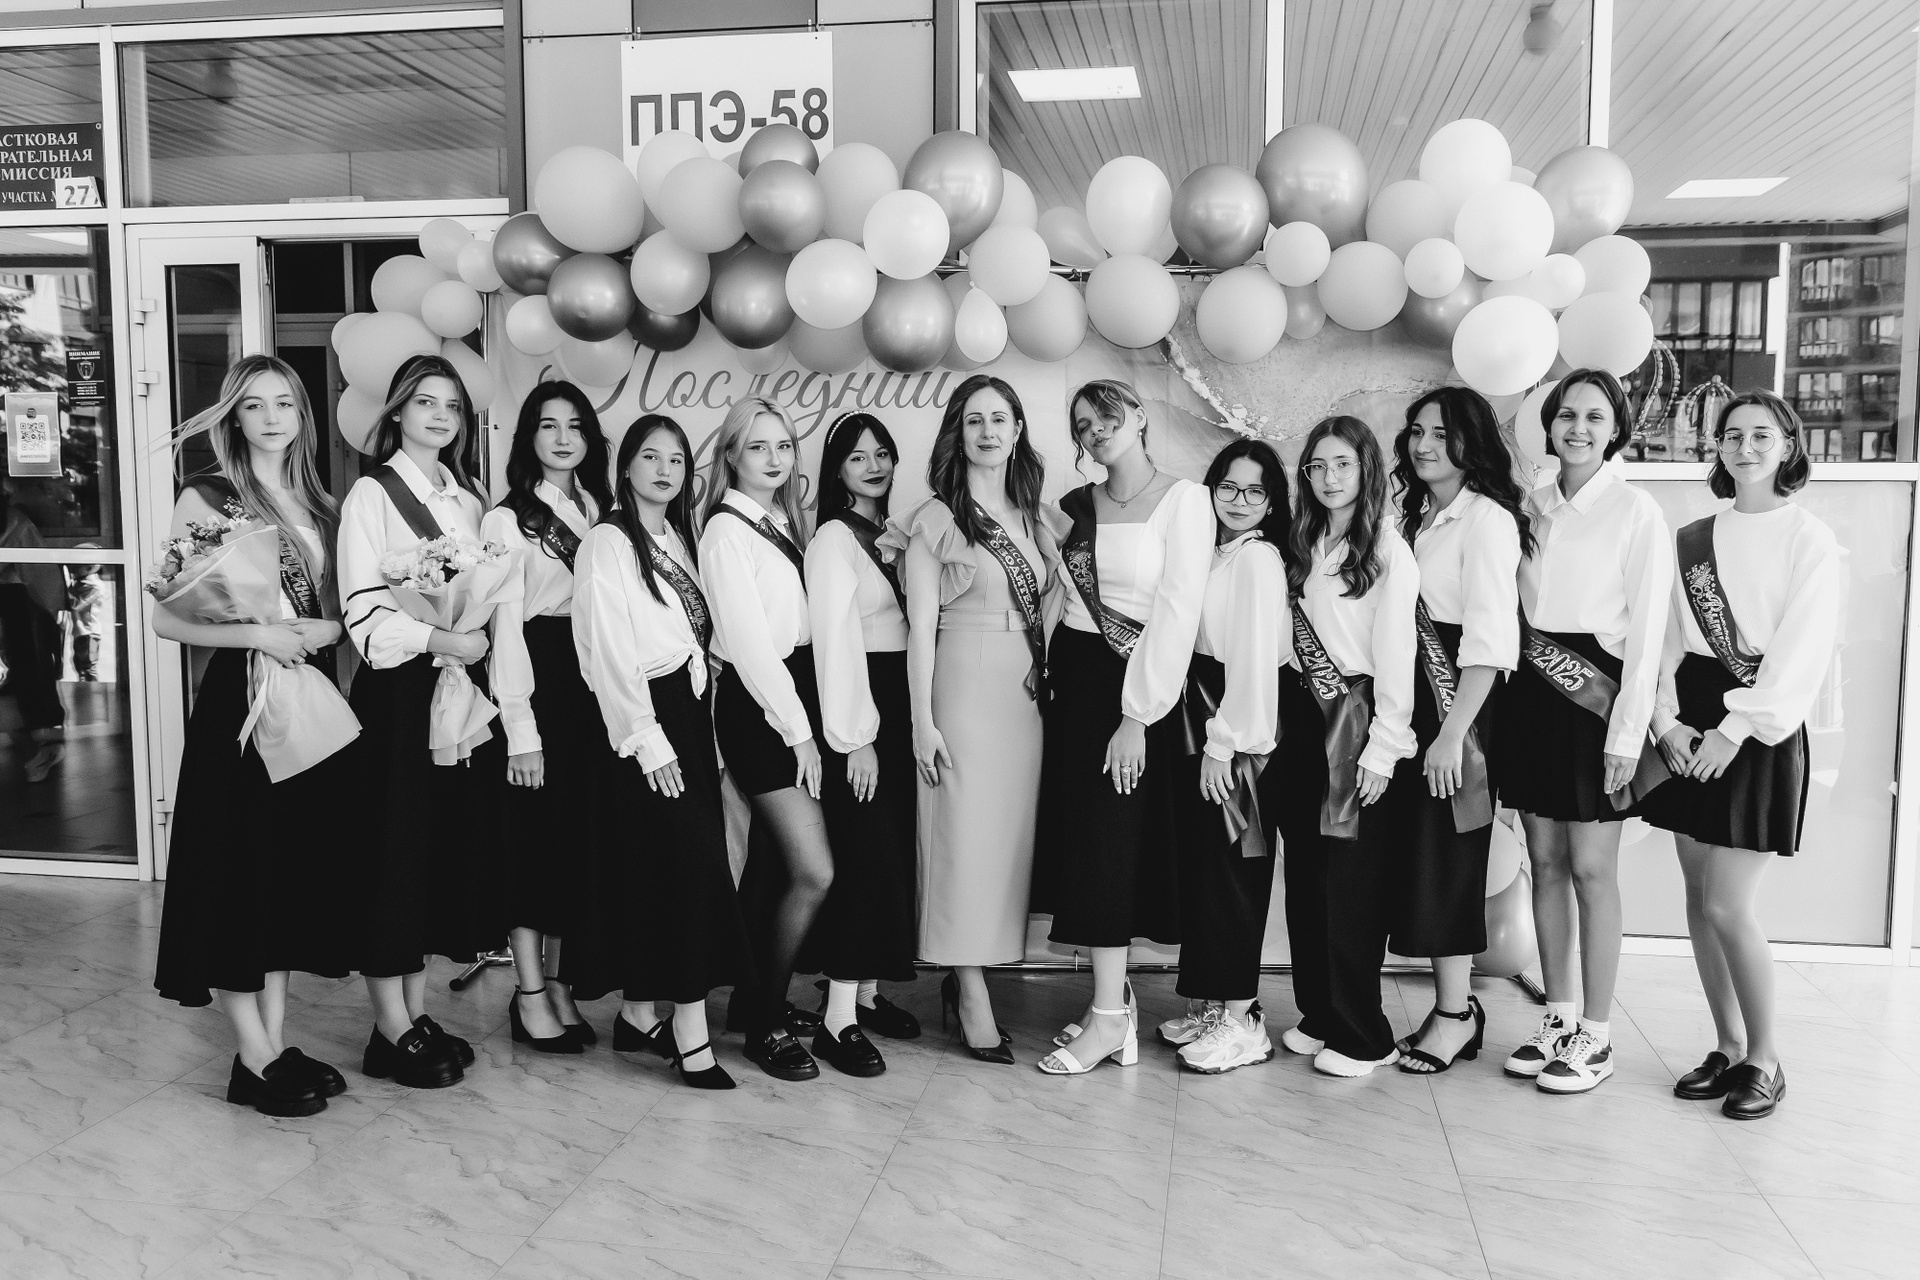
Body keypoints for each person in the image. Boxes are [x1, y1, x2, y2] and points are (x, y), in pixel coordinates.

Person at [150, 354, 356, 1116]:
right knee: (240, 876)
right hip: (240, 705)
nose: (272, 418)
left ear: (302, 416)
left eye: (284, 404)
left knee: (283, 878)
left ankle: (275, 1042)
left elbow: (332, 608)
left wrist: (332, 627)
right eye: (254, 405)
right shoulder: (208, 497)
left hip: (307, 699)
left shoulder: (319, 503)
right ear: (233, 417)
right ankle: (253, 1053)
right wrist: (257, 637)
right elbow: (167, 618)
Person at [1640, 391, 1839, 1121]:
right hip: (1691, 719)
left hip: (1755, 728)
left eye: (1761, 435)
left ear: (1788, 446)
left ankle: (1766, 1058)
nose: (1745, 447)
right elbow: (1663, 638)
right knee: (1699, 898)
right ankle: (1726, 1046)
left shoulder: (1809, 539)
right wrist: (1666, 722)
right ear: (1717, 448)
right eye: (1732, 435)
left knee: (1729, 903)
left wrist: (1734, 731)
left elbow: (1802, 652)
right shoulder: (1693, 537)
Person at [338, 353, 515, 1090]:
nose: (441, 416)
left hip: (456, 693)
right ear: (398, 413)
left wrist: (470, 641)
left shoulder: (469, 501)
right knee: (393, 854)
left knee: (433, 854)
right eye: (425, 402)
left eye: (452, 406)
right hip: (399, 695)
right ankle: (388, 1026)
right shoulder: (371, 495)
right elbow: (361, 611)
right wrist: (441, 637)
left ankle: (414, 1014)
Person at [1496, 368, 1672, 1095]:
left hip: (1598, 699)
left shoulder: (1636, 511)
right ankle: (1559, 1018)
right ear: (1551, 425)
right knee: (1544, 862)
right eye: (1567, 415)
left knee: (1594, 870)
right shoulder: (1531, 506)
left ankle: (1596, 1035)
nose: (1578, 428)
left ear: (1616, 428)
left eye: (1595, 417)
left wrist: (1627, 737)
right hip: (1533, 696)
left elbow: (1650, 635)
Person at [1033, 379, 1213, 1077]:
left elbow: (1179, 609)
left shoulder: (1184, 500)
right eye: (1082, 424)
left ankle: (1110, 1019)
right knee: (1087, 847)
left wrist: (1136, 716)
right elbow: (1061, 594)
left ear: (1138, 416)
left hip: (1138, 689)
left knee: (1111, 850)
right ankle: (1112, 1005)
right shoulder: (1077, 506)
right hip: (1077, 685)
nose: (1095, 429)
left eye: (1107, 415)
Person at [569, 414, 751, 1090]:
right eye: (651, 457)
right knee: (688, 873)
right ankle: (690, 1035)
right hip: (643, 718)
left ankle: (638, 1014)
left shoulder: (678, 538)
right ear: (626, 466)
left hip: (688, 714)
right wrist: (648, 740)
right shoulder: (607, 541)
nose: (665, 470)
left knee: (664, 872)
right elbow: (606, 650)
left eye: (676, 459)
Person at [889, 374, 1060, 1064]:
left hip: (1023, 699)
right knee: (960, 840)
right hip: (960, 688)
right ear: (957, 436)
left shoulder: (1035, 516)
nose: (988, 431)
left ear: (1018, 431)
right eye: (974, 421)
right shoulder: (936, 519)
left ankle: (973, 977)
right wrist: (921, 722)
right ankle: (970, 992)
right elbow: (920, 630)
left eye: (999, 419)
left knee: (1002, 846)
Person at [1387, 387, 1530, 1075]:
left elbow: (1491, 643)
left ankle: (1453, 1014)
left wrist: (1451, 735)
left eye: (1441, 433)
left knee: (1449, 858)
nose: (1424, 445)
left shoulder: (1488, 521)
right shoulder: (1416, 515)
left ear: (1473, 441)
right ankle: (1453, 1007)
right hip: (1411, 700)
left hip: (1458, 707)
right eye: (1417, 432)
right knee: (1422, 858)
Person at [1272, 415, 1420, 1078]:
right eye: (1318, 466)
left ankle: (1364, 1033)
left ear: (1366, 470)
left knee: (1349, 884)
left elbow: (1397, 656)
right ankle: (1321, 1013)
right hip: (1301, 719)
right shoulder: (1302, 540)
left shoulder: (1387, 548)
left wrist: (1383, 749)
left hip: (1354, 721)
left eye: (1343, 465)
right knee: (1307, 874)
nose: (1329, 478)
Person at [700, 397, 832, 1081]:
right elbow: (750, 648)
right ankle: (763, 1024)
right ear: (730, 456)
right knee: (814, 871)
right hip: (763, 709)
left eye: (783, 446)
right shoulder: (726, 531)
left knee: (774, 869)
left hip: (791, 695)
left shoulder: (778, 520)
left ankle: (753, 1003)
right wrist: (800, 733)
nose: (775, 458)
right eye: (758, 446)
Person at [481, 381, 613, 1054]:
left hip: (594, 685)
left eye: (576, 425)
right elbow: (505, 629)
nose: (563, 438)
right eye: (548, 425)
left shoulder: (600, 509)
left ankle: (560, 985)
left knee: (574, 847)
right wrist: (520, 730)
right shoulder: (506, 520)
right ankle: (529, 992)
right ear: (528, 436)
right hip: (539, 678)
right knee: (529, 845)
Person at [1162, 437, 1290, 1075]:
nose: (1239, 500)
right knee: (1209, 870)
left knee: (1237, 870)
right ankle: (1215, 1003)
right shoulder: (1216, 552)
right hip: (1207, 717)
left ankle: (1243, 1019)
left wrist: (1224, 745)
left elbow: (1255, 664)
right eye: (1228, 487)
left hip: (1238, 735)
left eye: (1254, 490)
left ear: (1271, 502)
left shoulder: (1258, 559)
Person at [801, 411, 921, 1076]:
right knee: (862, 857)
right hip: (860, 709)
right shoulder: (832, 540)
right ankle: (836, 1019)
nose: (873, 466)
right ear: (836, 470)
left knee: (888, 854)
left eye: (881, 454)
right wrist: (855, 739)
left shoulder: (894, 533)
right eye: (856, 457)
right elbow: (834, 644)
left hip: (898, 704)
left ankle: (866, 994)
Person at [0, 489, 65, 781]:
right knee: (21, 680)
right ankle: (38, 752)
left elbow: (40, 576)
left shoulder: (15, 521)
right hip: (20, 603)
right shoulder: (15, 521)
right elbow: (43, 579)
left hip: (15, 605)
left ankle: (37, 753)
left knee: (19, 681)